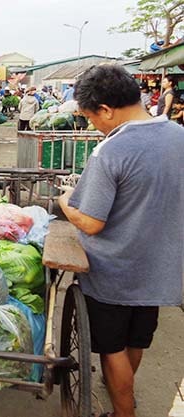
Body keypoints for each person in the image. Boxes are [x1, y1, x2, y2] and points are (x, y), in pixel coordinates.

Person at [58, 64, 184, 417]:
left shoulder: (112, 150)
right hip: (161, 267)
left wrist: (65, 203)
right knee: (136, 339)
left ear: (106, 110)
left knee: (112, 348)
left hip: (114, 273)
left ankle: (123, 412)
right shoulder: (178, 135)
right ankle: (124, 395)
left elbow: (92, 222)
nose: (92, 126)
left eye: (90, 118)